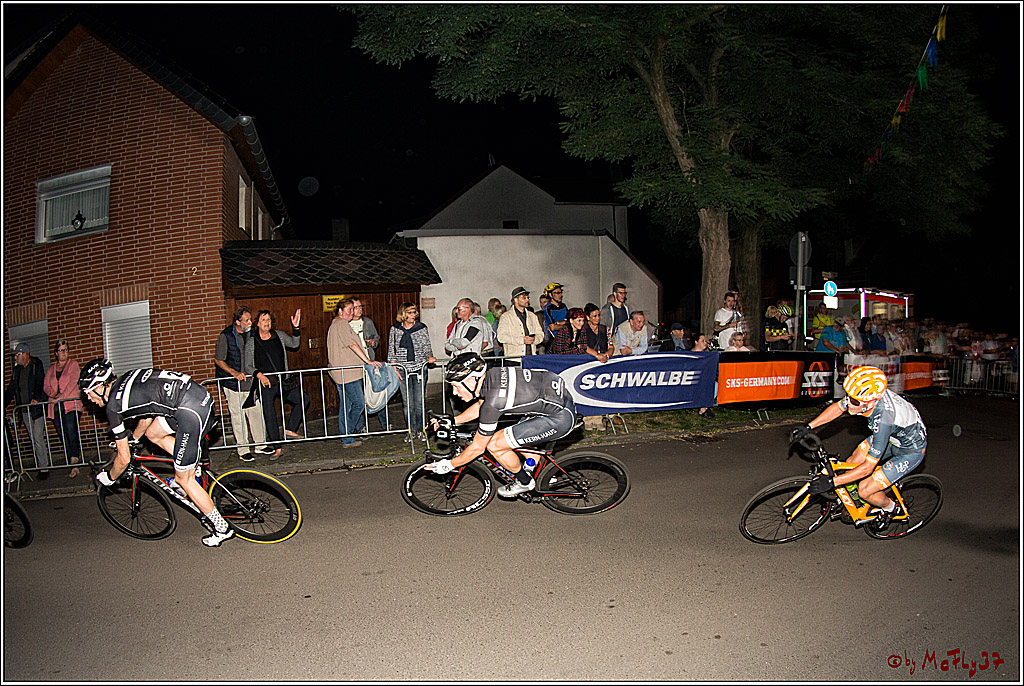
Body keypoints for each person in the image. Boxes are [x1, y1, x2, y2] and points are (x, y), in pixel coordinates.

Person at [81, 359, 234, 546]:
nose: (89, 399)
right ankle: (190, 462)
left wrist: (109, 477)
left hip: (190, 411)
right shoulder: (127, 379)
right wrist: (134, 439)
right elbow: (146, 417)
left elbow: (124, 458)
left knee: (183, 480)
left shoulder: (113, 406)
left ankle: (222, 528)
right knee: (153, 434)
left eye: (88, 393)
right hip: (197, 398)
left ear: (99, 387)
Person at [791, 365, 927, 530]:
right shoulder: (867, 399)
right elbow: (839, 407)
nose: (848, 403)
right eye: (848, 396)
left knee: (864, 489)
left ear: (870, 402)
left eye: (854, 401)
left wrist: (832, 482)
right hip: (894, 437)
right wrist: (808, 427)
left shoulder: (883, 421)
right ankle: (855, 500)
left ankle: (891, 508)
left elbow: (867, 469)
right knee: (851, 462)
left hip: (910, 451)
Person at [424, 352, 577, 498]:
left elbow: (478, 448)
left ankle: (524, 482)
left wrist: (450, 465)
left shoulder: (493, 403)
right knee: (514, 438)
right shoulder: (493, 375)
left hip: (559, 419)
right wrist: (454, 421)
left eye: (456, 386)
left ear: (471, 380)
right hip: (555, 401)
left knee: (495, 445)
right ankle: (544, 474)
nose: (454, 392)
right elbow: (480, 406)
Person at [243, 309, 309, 458]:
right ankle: (277, 447)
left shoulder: (279, 335)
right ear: (257, 323)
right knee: (270, 414)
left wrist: (296, 328)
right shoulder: (252, 342)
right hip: (266, 383)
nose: (266, 323)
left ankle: (289, 429)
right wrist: (259, 375)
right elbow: (248, 365)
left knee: (303, 399)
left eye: (268, 320)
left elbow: (294, 344)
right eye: (263, 320)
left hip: (283, 380)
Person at [214, 305, 269, 462]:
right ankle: (243, 449)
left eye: (250, 319)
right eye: (246, 320)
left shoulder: (251, 334)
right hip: (233, 384)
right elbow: (218, 359)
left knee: (256, 413)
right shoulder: (225, 336)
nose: (250, 323)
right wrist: (234, 372)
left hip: (250, 382)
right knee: (238, 417)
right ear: (237, 322)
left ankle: (260, 445)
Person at [328, 298, 382, 448]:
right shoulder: (341, 324)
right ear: (340, 311)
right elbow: (352, 344)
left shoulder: (335, 324)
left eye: (353, 309)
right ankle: (347, 433)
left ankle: (347, 438)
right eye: (349, 310)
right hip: (348, 373)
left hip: (342, 372)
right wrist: (368, 360)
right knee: (359, 403)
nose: (352, 312)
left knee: (346, 406)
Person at [387, 302, 436, 441]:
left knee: (419, 402)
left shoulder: (421, 328)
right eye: (409, 312)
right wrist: (394, 368)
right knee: (407, 402)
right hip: (403, 370)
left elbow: (426, 346)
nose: (413, 315)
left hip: (419, 368)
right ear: (403, 314)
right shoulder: (395, 329)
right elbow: (391, 350)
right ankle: (410, 430)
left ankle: (421, 430)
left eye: (414, 312)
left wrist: (429, 356)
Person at [5, 343, 50, 479]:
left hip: (36, 409)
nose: (15, 358)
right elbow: (12, 388)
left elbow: (39, 381)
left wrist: (36, 397)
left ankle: (44, 469)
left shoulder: (36, 364)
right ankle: (41, 466)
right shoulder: (17, 370)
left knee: (37, 437)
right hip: (24, 410)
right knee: (33, 438)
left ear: (25, 354)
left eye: (17, 355)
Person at [42, 340, 84, 477]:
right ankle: (71, 459)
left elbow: (73, 381)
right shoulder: (51, 369)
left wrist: (62, 395)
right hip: (56, 406)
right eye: (61, 350)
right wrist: (54, 394)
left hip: (70, 404)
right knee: (62, 434)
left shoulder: (73, 365)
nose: (64, 353)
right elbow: (46, 386)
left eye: (65, 350)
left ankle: (75, 460)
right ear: (56, 353)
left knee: (71, 430)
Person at [496, 286, 543, 360]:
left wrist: (534, 339)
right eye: (524, 298)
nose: (527, 300)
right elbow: (501, 337)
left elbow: (540, 334)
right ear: (516, 300)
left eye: (528, 297)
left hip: (531, 358)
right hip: (514, 359)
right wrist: (521, 340)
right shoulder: (506, 317)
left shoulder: (532, 316)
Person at [690, 333, 715, 418]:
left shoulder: (707, 355)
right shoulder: (691, 355)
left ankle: (705, 406)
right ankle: (703, 408)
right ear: (696, 342)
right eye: (702, 341)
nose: (705, 343)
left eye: (705, 341)